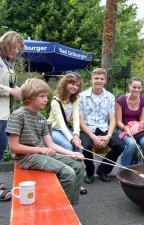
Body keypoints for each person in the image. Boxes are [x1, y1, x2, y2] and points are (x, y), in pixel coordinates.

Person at [6, 78, 86, 205]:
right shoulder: (18, 115)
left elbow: (51, 144)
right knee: (68, 173)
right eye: (41, 96)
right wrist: (41, 150)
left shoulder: (41, 117)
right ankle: (60, 207)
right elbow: (14, 147)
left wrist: (72, 154)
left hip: (39, 154)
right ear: (29, 98)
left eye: (46, 96)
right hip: (26, 158)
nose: (46, 99)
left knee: (79, 165)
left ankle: (70, 205)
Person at [80, 67, 124, 183]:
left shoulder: (110, 97)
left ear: (105, 81)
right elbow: (81, 121)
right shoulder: (82, 96)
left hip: (103, 128)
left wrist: (108, 136)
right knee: (85, 146)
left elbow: (112, 119)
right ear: (91, 80)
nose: (99, 81)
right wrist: (93, 137)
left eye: (101, 79)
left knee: (119, 145)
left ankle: (103, 170)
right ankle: (90, 172)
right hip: (87, 128)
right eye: (96, 78)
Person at [47, 72, 87, 195]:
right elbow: (61, 124)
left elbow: (75, 119)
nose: (74, 87)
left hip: (67, 130)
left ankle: (77, 180)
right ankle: (67, 178)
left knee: (79, 146)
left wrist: (76, 136)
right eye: (72, 84)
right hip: (53, 129)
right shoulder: (56, 100)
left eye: (77, 85)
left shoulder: (75, 99)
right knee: (69, 147)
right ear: (65, 84)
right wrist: (71, 139)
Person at [0, 31, 24, 201]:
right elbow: (7, 87)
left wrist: (21, 89)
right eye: (15, 47)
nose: (17, 52)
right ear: (7, 43)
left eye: (18, 49)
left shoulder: (7, 63)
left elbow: (9, 83)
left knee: (1, 148)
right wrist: (11, 90)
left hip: (5, 113)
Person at [116, 76, 144, 166]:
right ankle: (124, 170)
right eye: (134, 87)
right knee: (131, 144)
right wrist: (126, 129)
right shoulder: (121, 100)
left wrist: (138, 124)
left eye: (139, 88)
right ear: (129, 86)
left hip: (138, 130)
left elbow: (143, 120)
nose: (136, 90)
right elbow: (118, 122)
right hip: (123, 129)